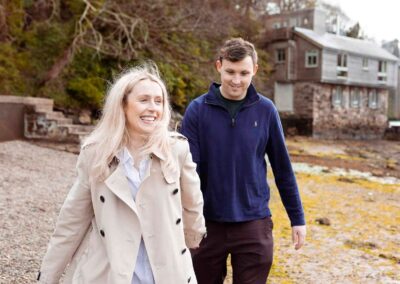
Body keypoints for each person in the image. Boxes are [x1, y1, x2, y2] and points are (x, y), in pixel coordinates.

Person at [37, 63, 206, 284]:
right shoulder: (96, 154)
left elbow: (193, 203)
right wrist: (48, 276)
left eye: (159, 101)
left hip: (167, 272)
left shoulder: (177, 149)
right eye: (144, 100)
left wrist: (190, 239)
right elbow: (71, 222)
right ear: (123, 104)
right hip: (109, 273)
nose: (153, 108)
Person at [181, 38, 306, 284]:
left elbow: (282, 168)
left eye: (244, 73)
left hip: (254, 224)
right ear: (219, 66)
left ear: (255, 71)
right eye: (230, 71)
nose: (236, 80)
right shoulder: (197, 110)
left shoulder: (266, 110)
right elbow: (186, 173)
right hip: (205, 223)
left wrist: (297, 218)